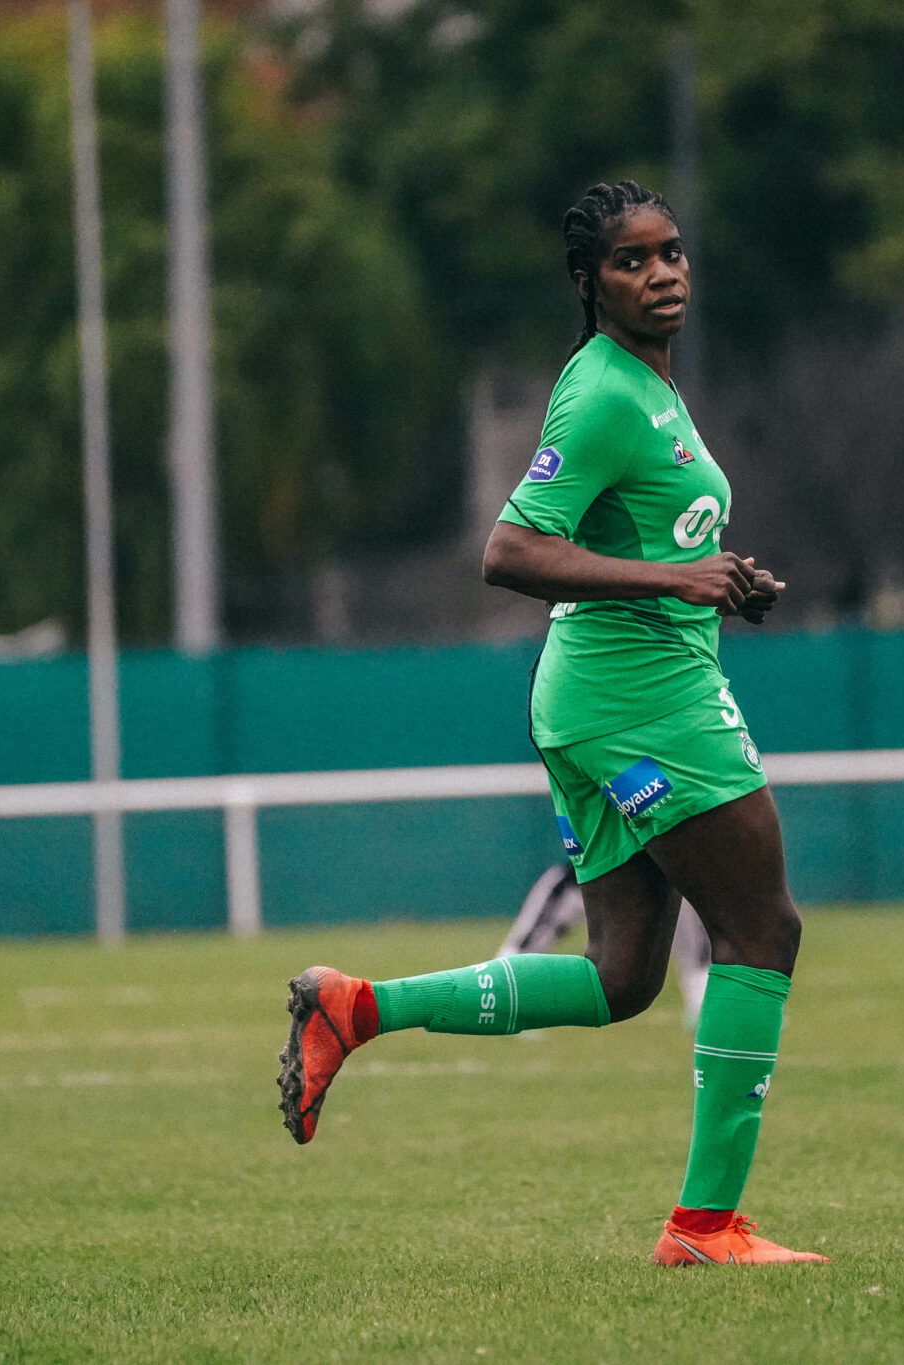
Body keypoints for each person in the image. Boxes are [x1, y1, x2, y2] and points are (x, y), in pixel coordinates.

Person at [277, 179, 824, 1268]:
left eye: (670, 253)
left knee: (623, 977)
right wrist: (672, 582)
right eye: (631, 261)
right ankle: (703, 1229)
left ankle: (353, 1008)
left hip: (604, 699)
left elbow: (643, 540)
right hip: (640, 706)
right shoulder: (604, 394)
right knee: (762, 929)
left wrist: (715, 580)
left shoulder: (646, 389)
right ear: (588, 284)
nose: (661, 272)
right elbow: (509, 552)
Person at [500, 863, 711, 1027]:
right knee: (523, 948)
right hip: (588, 878)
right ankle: (501, 1001)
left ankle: (704, 1010)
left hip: (660, 879)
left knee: (696, 955)